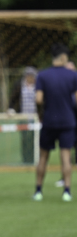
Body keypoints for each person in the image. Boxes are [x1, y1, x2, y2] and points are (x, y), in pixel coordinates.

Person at [33, 43, 77, 202]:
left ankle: (38, 190)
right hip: (68, 121)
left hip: (49, 121)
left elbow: (38, 99)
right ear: (64, 57)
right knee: (65, 157)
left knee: (43, 156)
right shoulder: (73, 75)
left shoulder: (43, 76)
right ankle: (67, 191)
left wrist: (41, 113)